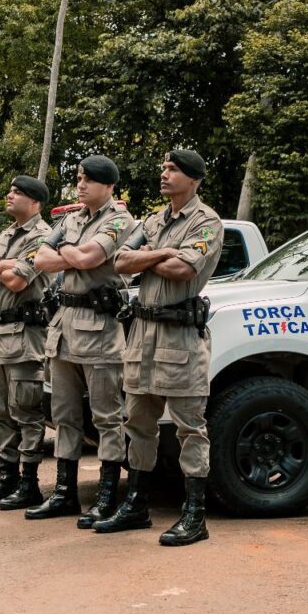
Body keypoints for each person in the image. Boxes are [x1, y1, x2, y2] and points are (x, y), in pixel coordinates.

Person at [93, 149, 224, 546]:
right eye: (164, 168)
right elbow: (119, 260)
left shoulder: (207, 222)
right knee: (138, 423)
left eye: (173, 169)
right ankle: (136, 504)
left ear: (194, 178)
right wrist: (163, 252)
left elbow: (184, 269)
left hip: (179, 337)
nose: (164, 174)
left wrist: (148, 258)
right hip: (142, 336)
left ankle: (194, 515)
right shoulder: (152, 221)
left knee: (189, 428)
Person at [27, 155, 134, 523]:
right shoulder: (70, 219)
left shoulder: (119, 219)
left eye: (89, 179)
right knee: (64, 416)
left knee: (106, 416)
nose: (81, 184)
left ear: (108, 186)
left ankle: (106, 496)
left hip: (100, 329)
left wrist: (66, 253)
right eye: (78, 177)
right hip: (64, 326)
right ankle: (63, 494)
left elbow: (90, 258)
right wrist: (72, 255)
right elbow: (39, 258)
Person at [0, 176, 53, 510]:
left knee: (26, 412)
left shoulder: (44, 236)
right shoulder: (4, 236)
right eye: (11, 190)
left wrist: (0, 266)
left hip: (25, 335)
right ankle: (7, 477)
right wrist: (5, 265)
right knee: (1, 411)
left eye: (17, 192)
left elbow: (18, 281)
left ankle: (29, 483)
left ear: (34, 202)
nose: (9, 194)